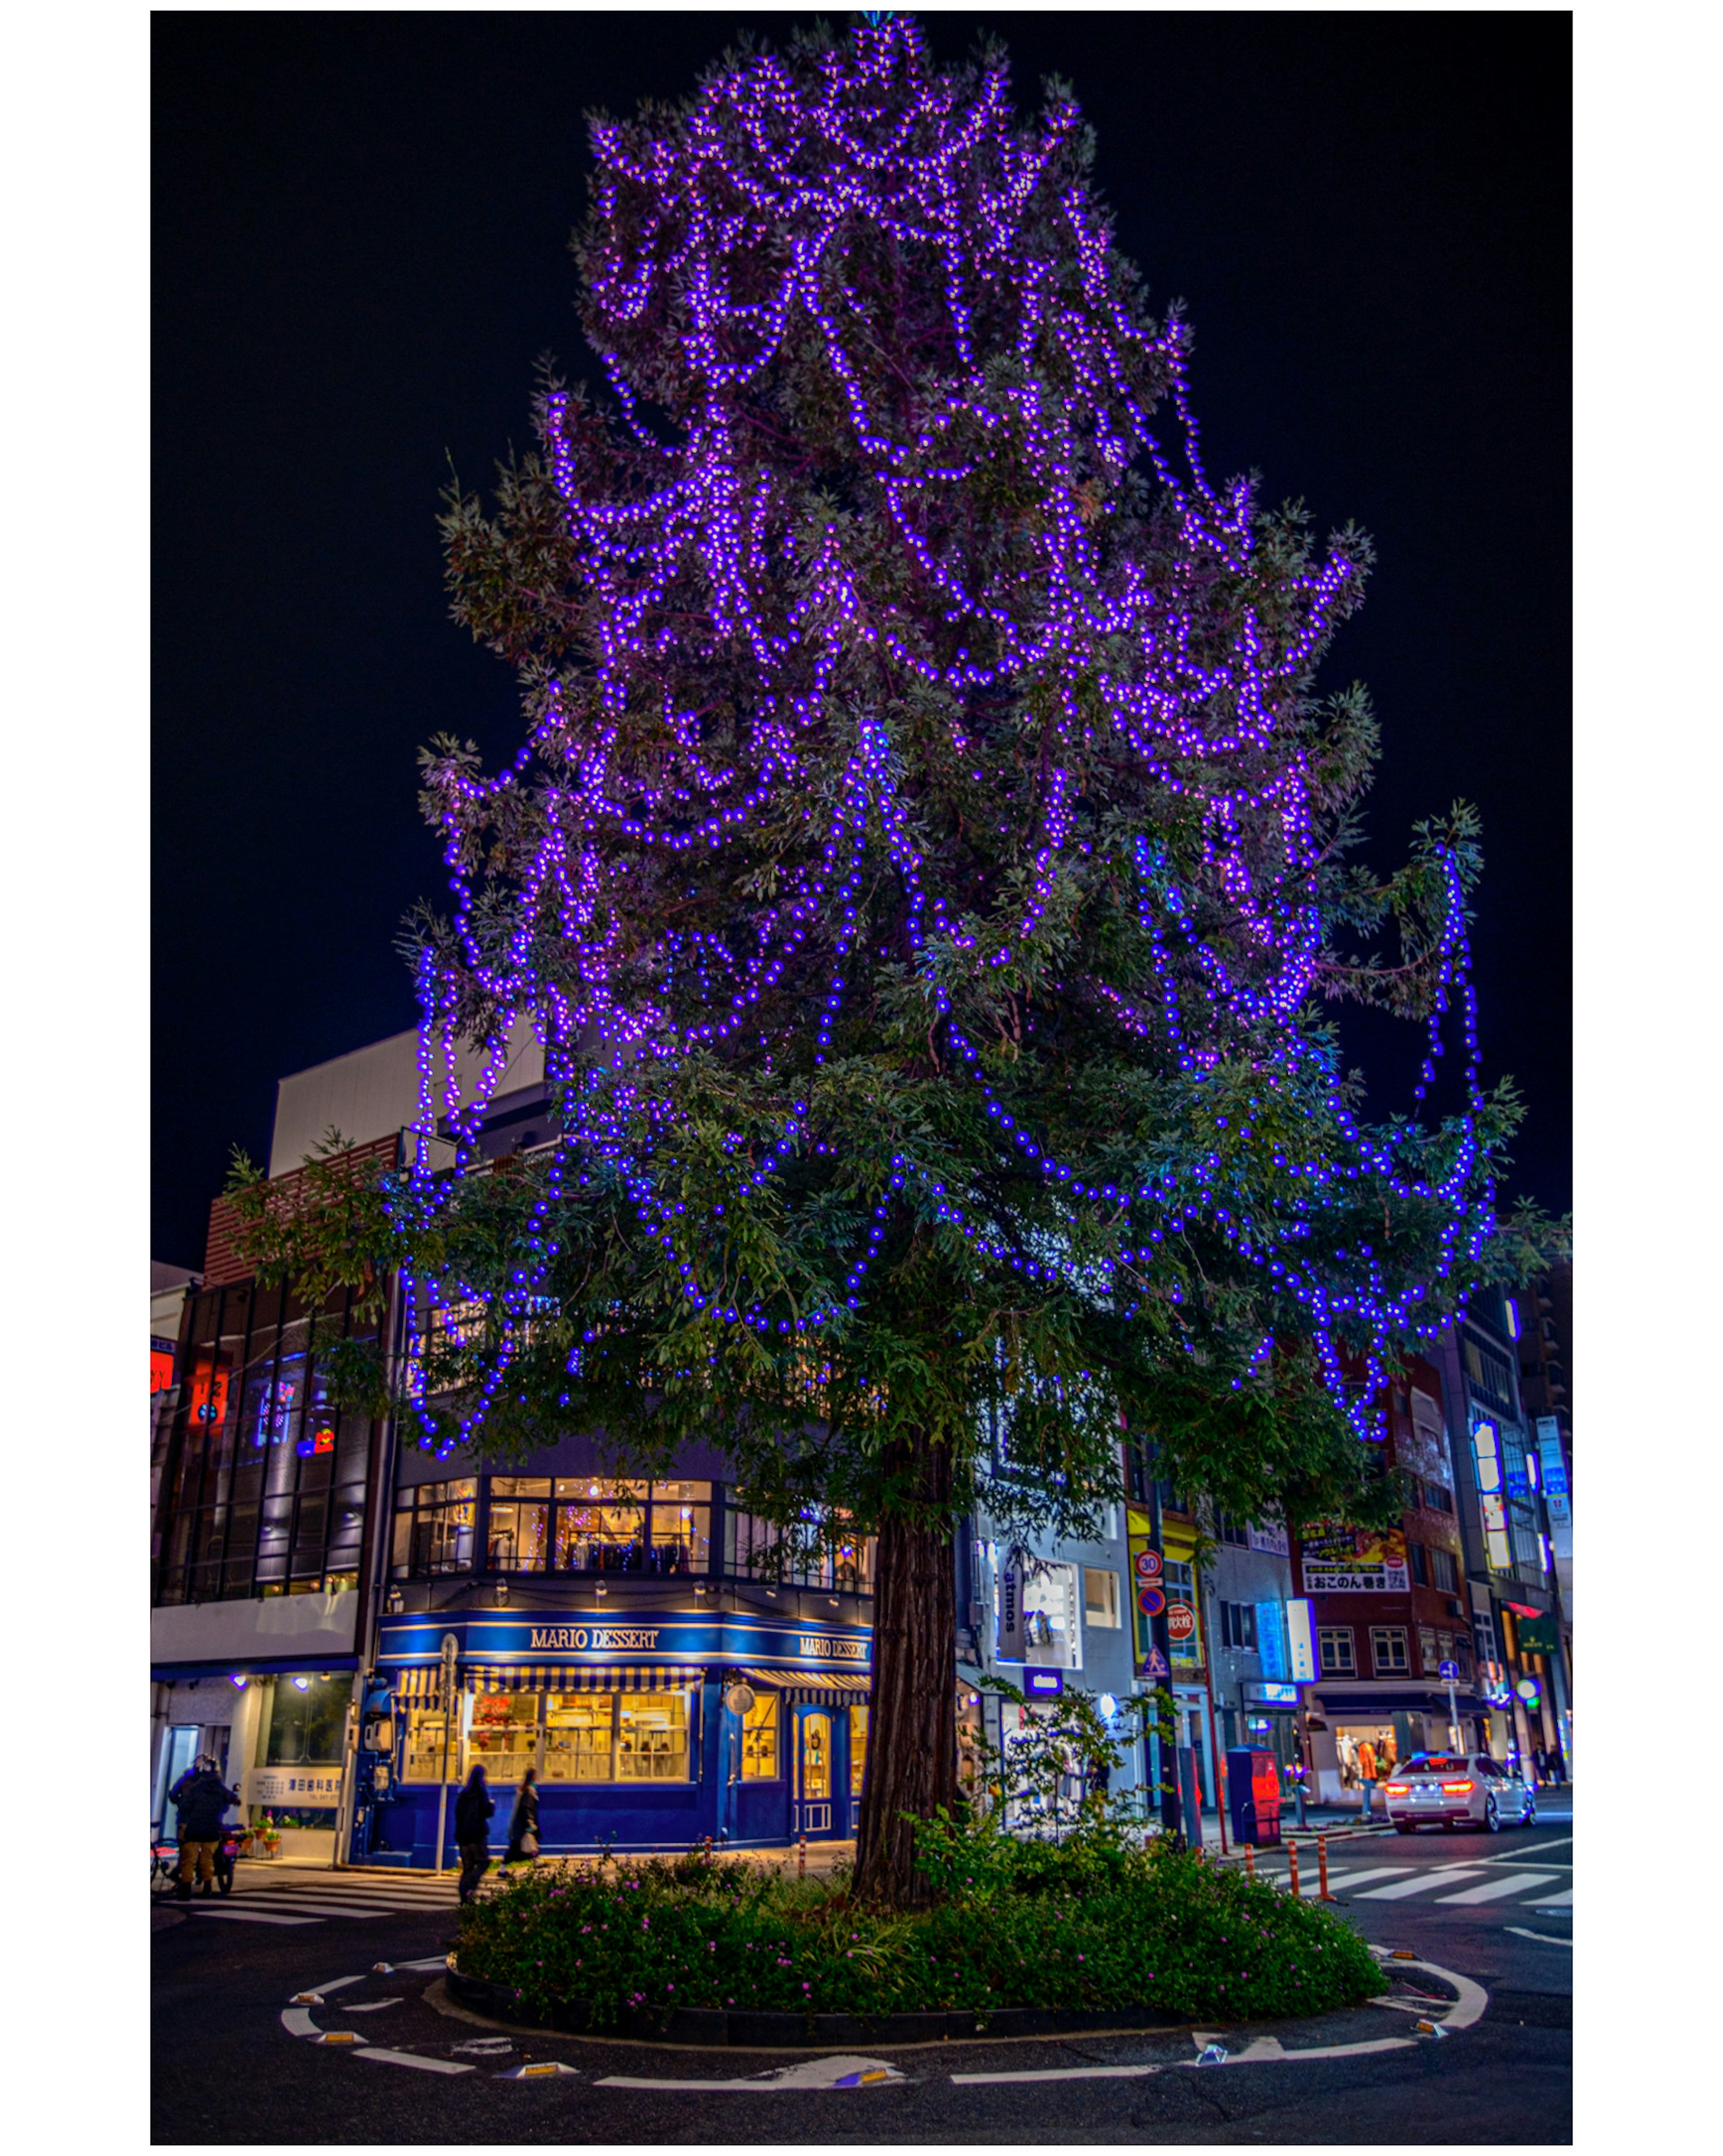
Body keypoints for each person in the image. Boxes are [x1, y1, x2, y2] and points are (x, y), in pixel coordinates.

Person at [169, 1755, 241, 1899]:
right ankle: (207, 1887)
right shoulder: (220, 1788)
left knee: (189, 1860)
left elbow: (185, 1805)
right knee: (208, 1859)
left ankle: (186, 1889)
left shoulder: (197, 1787)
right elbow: (233, 1798)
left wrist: (183, 1808)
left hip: (194, 1828)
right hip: (213, 1829)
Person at [454, 1764, 494, 1906]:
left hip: (464, 1836)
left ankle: (464, 1895)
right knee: (483, 1862)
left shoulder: (463, 1795)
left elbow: (458, 1815)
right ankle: (469, 1887)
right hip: (477, 1835)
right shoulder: (481, 1793)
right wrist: (491, 1806)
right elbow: (487, 1812)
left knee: (468, 1866)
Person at [500, 1766, 540, 1875]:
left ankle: (536, 1861)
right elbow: (526, 1808)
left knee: (529, 1844)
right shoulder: (529, 1792)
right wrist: (529, 1822)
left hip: (520, 1825)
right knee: (516, 1848)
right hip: (523, 1825)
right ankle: (502, 1869)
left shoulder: (524, 1790)